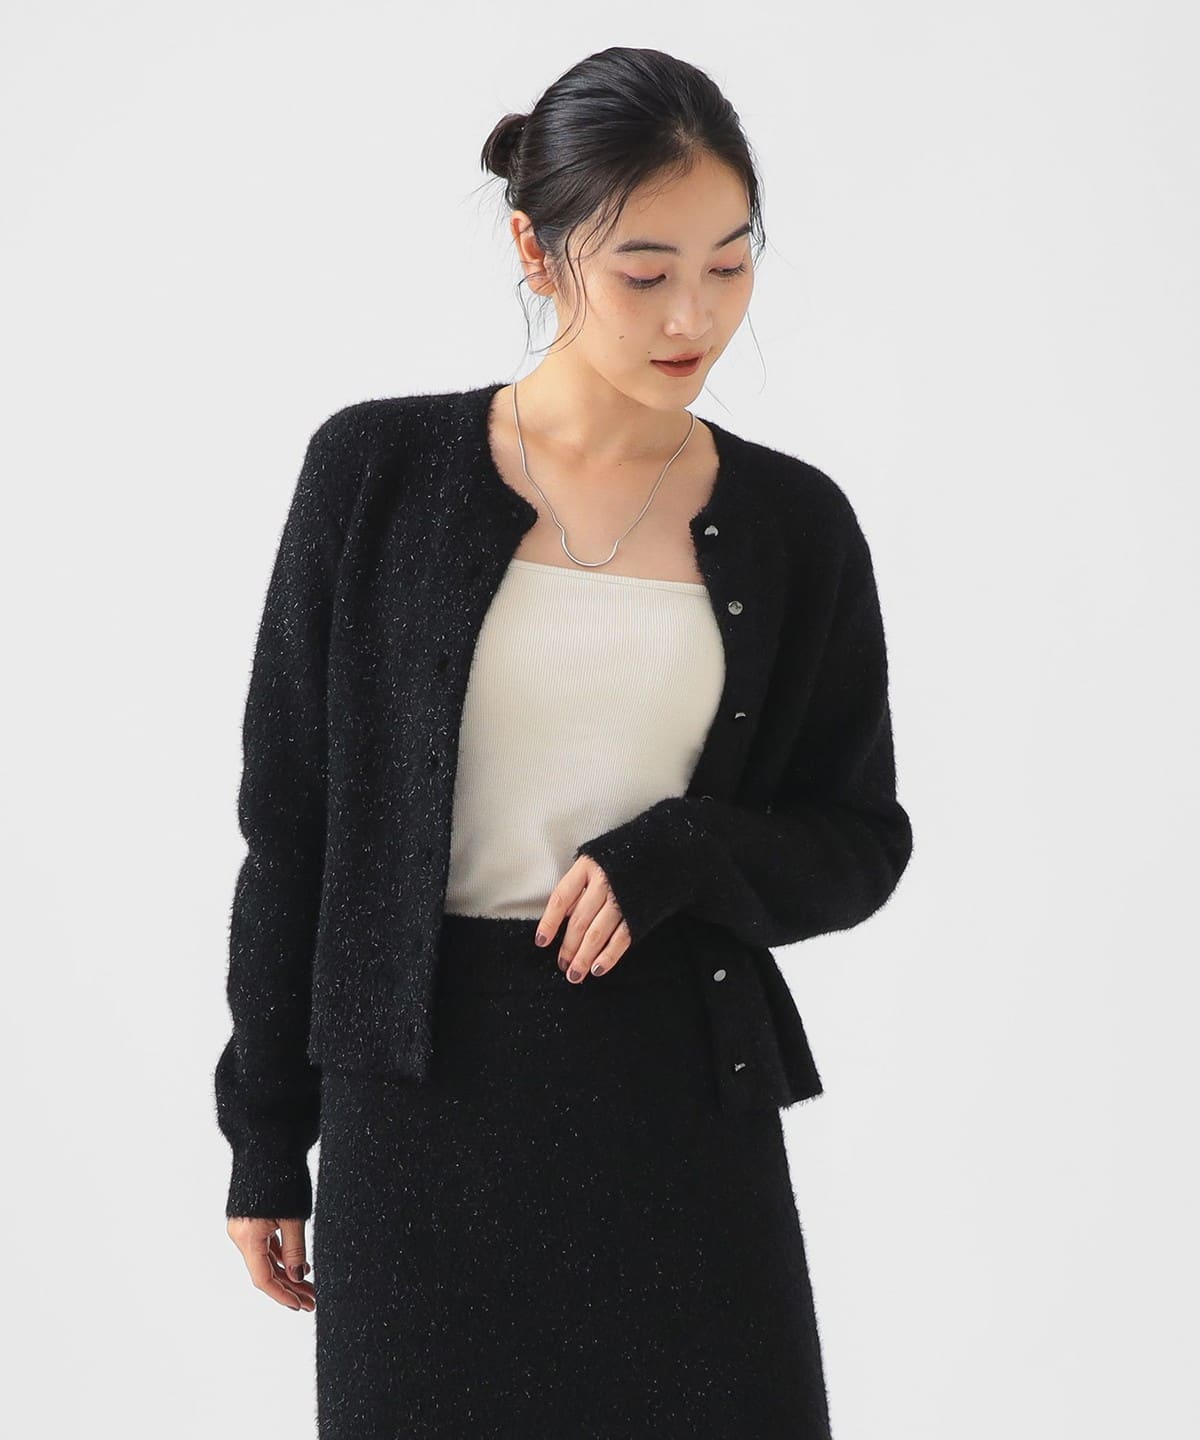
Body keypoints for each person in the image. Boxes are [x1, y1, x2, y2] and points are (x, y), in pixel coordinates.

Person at [214, 44, 913, 1439]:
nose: (695, 314)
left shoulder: (795, 524)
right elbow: (291, 822)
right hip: (420, 1113)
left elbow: (860, 839)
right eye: (645, 273)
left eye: (730, 263)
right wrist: (264, 1138)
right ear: (537, 252)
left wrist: (684, 852)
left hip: (677, 1099)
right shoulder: (374, 472)